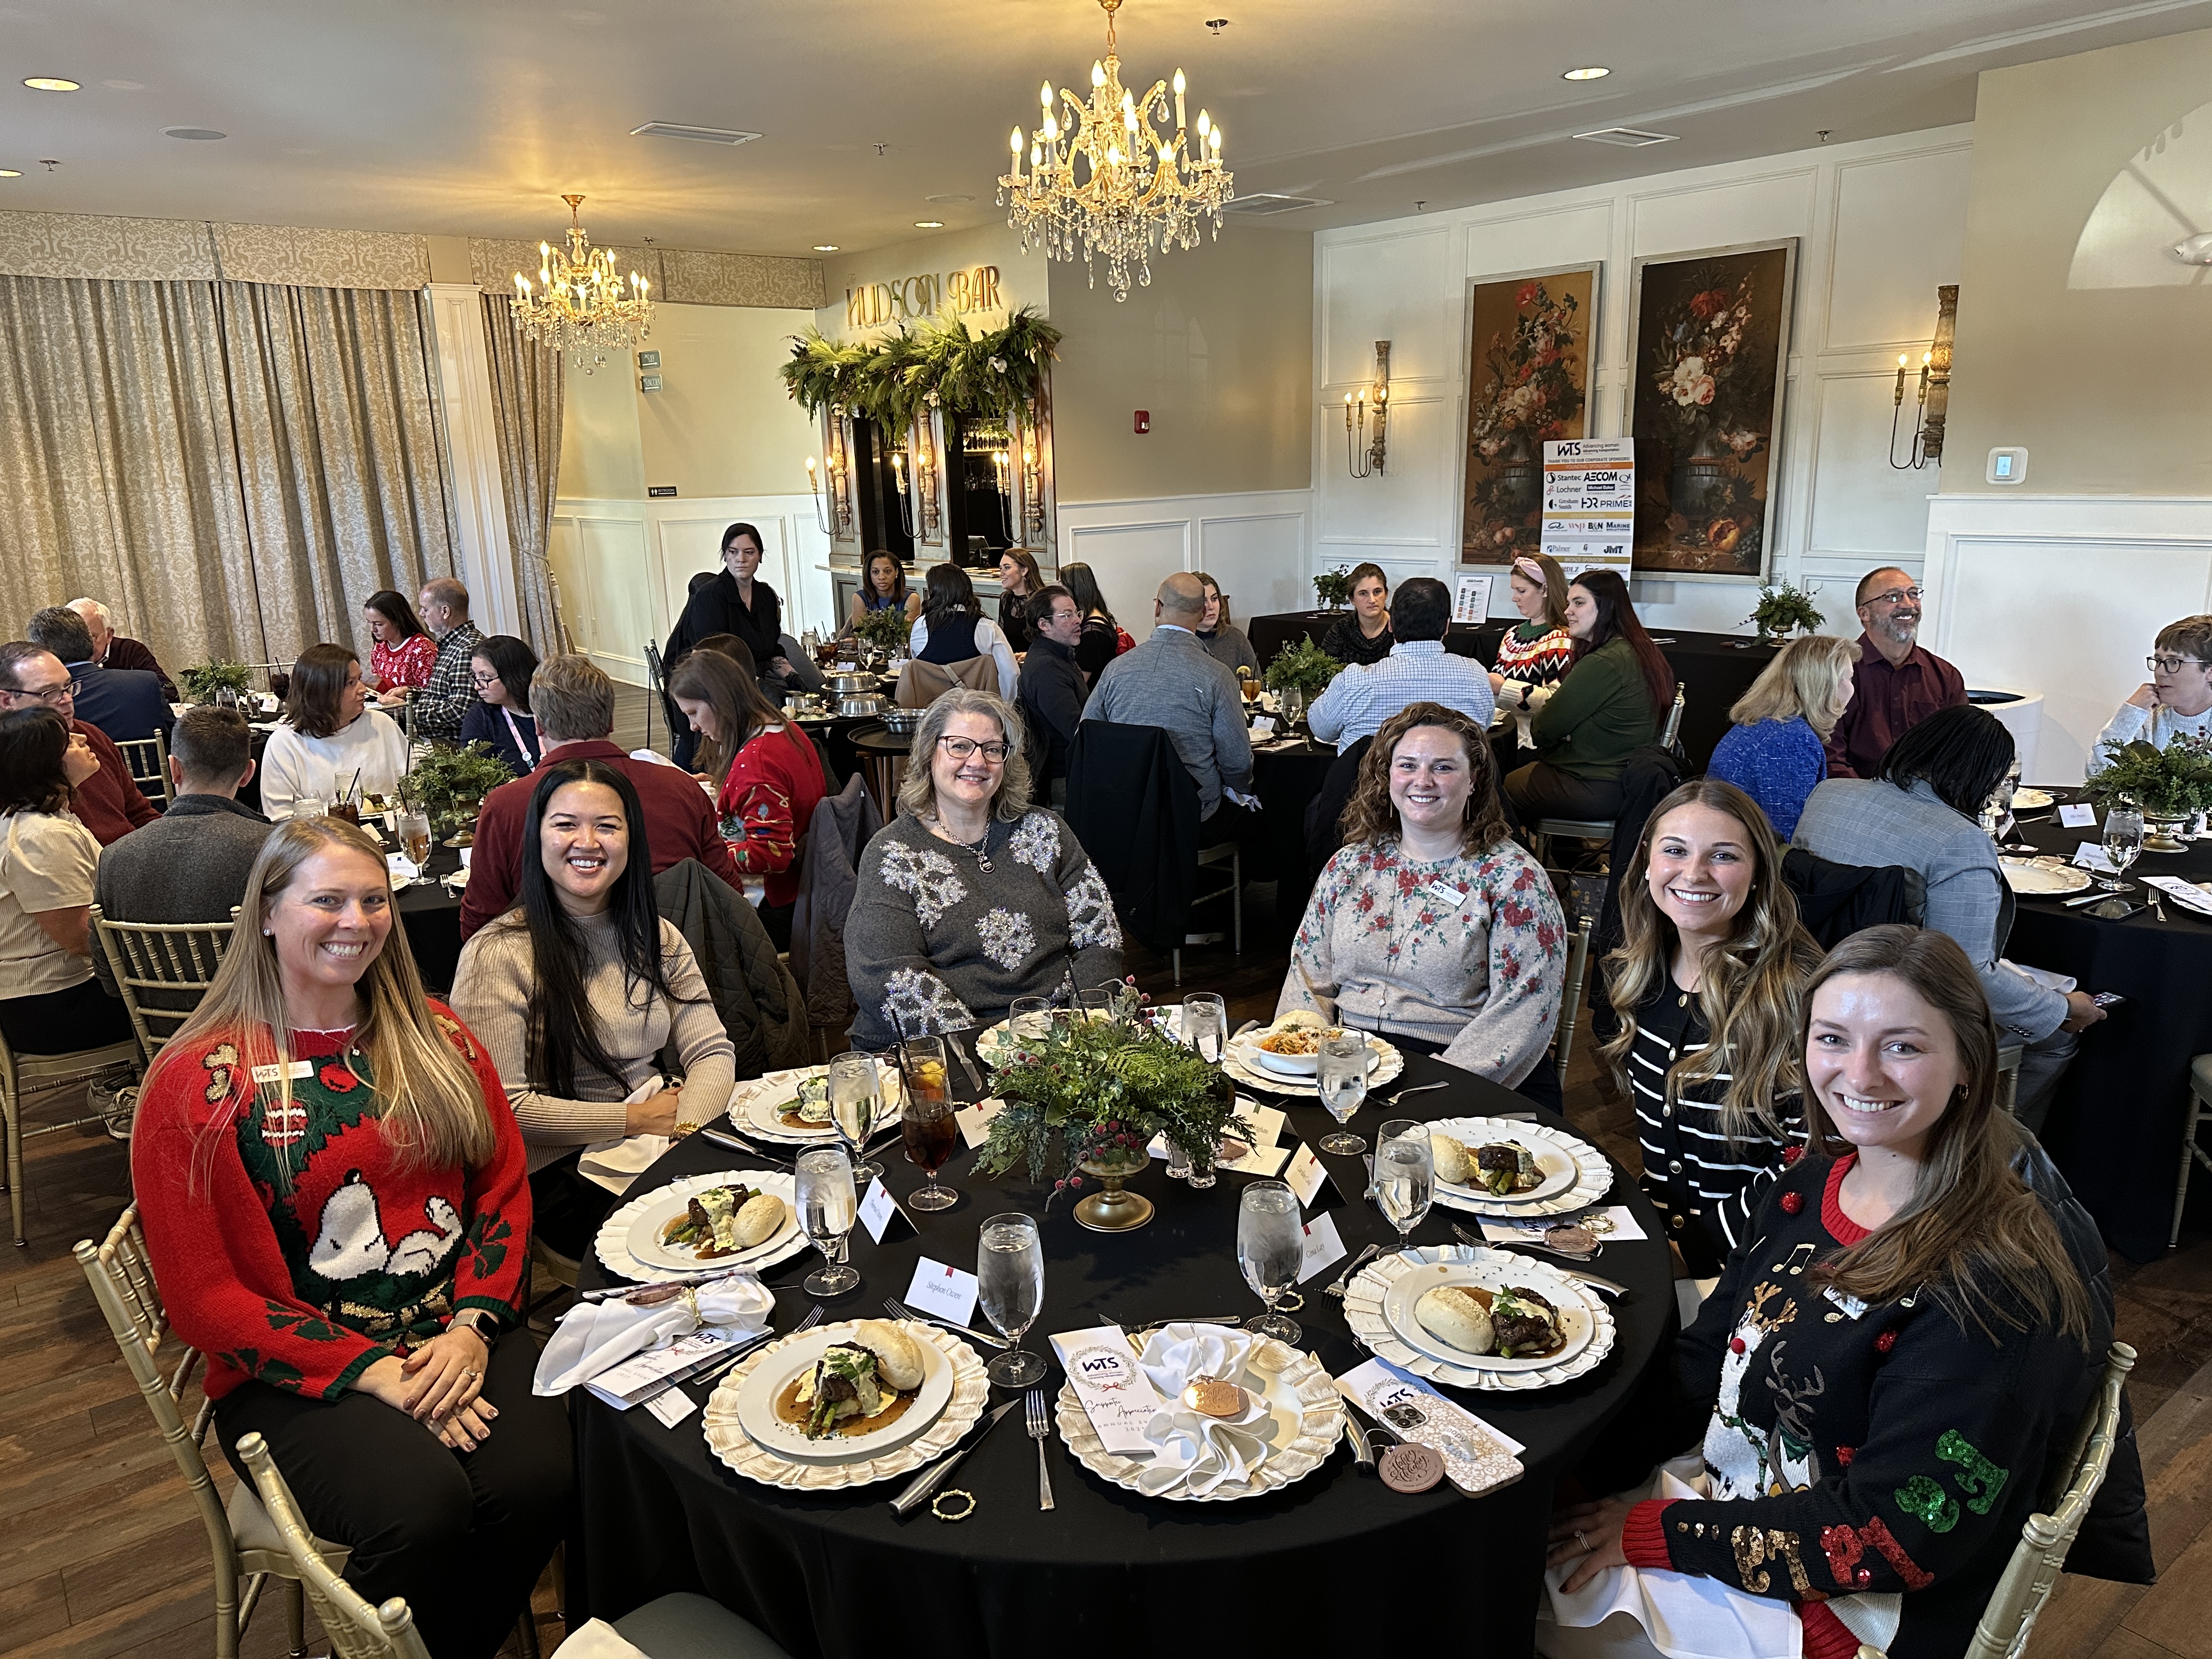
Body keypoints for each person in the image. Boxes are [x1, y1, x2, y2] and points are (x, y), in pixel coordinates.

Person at [1543, 925, 2103, 1659]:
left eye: (1902, 1047)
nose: (1860, 1076)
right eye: (1834, 1039)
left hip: (1844, 1614)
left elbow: (1890, 1537)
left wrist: (1654, 1533)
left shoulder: (1989, 1289)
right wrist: (1585, 1472)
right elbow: (1708, 1355)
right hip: (1740, 1507)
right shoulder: (1810, 1184)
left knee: (1501, 1602)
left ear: (1969, 1062)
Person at [130, 816, 567, 1659]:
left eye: (374, 901)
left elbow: (502, 1191)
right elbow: (204, 1296)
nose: (356, 922)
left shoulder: (437, 1038)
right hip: (291, 1368)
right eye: (327, 900)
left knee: (542, 1477)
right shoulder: (196, 1084)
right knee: (421, 1508)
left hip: (453, 1326)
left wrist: (471, 1329)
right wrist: (374, 1372)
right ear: (266, 912)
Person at [449, 760, 735, 1259]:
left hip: (659, 1135)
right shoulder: (498, 953)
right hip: (560, 1169)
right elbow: (507, 1110)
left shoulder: (657, 936)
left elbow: (711, 1049)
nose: (587, 842)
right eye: (566, 825)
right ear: (537, 838)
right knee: (701, 1249)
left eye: (607, 826)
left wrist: (685, 1137)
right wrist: (635, 1119)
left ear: (631, 839)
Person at [1793, 703, 2104, 1133]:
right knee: (2054, 1035)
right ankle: (1994, 1146)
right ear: (1984, 778)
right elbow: (1968, 974)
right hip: (1898, 1001)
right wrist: (2060, 1010)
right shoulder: (1959, 841)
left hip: (1808, 979)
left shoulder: (1828, 795)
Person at [1280, 702, 1567, 1107]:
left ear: (1474, 780)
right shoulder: (1349, 865)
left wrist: (1441, 1084)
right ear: (1387, 777)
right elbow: (1307, 976)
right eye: (1408, 766)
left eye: (1443, 768)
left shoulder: (1514, 879)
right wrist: (1301, 1055)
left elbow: (1525, 1007)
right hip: (1350, 1062)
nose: (1423, 781)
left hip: (1466, 1068)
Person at [1600, 778, 1825, 1277]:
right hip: (1662, 1236)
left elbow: (1813, 1156)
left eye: (1723, 856)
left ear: (1759, 872)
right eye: (1675, 850)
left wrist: (1693, 1253)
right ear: (1647, 861)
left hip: (1754, 1259)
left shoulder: (1794, 993)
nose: (1694, 873)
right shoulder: (1644, 969)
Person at [846, 688, 1122, 1047]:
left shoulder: (1046, 831)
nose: (977, 762)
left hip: (1061, 1037)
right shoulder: (892, 855)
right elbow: (889, 976)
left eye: (992, 749)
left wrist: (1085, 1025)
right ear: (929, 753)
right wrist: (987, 1049)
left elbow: (1100, 934)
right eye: (959, 746)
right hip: (949, 1047)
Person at [460, 656, 743, 941]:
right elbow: (727, 895)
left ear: (539, 727)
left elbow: (480, 926)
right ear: (610, 722)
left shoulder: (505, 805)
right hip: (677, 953)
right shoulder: (682, 788)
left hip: (552, 962)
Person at [91, 705, 273, 1000]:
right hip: (258, 1021)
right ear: (248, 773)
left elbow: (111, 979)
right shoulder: (273, 848)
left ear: (174, 768)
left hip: (159, 1026)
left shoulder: (113, 857)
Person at [665, 648, 826, 951]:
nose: (693, 727)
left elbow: (771, 855)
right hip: (804, 887)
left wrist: (707, 855)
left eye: (693, 713)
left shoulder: (756, 763)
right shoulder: (784, 728)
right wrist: (721, 787)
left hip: (773, 903)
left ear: (719, 701)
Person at [0, 707, 138, 1053]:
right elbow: (80, 938)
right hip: (54, 1004)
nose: (83, 738)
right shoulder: (39, 835)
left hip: (65, 991)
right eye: (68, 742)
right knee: (199, 993)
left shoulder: (48, 818)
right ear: (44, 764)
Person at [1083, 572, 1256, 832]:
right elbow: (1238, 762)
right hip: (1194, 815)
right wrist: (1241, 789)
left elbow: (1086, 735)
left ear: (1158, 607)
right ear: (1201, 613)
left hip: (1125, 811)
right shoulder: (1217, 676)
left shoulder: (1116, 669)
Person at [1504, 569, 1675, 823]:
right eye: (1569, 603)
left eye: (1579, 603)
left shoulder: (1604, 662)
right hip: (1627, 778)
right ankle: (1569, 848)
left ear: (1607, 608)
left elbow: (1542, 729)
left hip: (1600, 784)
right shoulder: (1636, 648)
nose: (1568, 612)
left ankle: (1527, 851)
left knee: (1503, 785)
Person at [1307, 577, 1495, 753]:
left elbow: (1321, 730)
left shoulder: (1355, 680)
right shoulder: (1476, 676)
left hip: (1369, 777)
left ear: (1390, 625)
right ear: (1447, 626)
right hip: (1450, 777)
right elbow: (1481, 732)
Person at [0, 642, 160, 844]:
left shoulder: (89, 735)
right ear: (6, 701)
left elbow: (140, 813)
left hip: (129, 852)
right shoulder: (11, 766)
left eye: (67, 687)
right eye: (49, 693)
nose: (67, 699)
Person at [1706, 634, 1857, 839]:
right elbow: (1788, 833)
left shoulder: (1770, 724)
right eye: (1849, 679)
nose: (1852, 688)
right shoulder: (1789, 739)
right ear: (1824, 685)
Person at [1825, 566, 1966, 778]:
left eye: (1913, 594)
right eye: (1893, 597)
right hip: (1854, 794)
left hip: (1926, 796)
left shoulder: (1945, 676)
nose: (1908, 604)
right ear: (1864, 614)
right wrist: (1870, 797)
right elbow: (1830, 759)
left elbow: (1960, 751)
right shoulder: (1835, 673)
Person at [259, 645, 411, 820]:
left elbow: (415, 785)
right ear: (322, 691)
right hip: (319, 836)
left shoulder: (381, 725)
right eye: (351, 683)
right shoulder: (285, 743)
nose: (363, 689)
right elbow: (280, 819)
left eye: (359, 679)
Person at [27, 605, 172, 751]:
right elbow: (174, 738)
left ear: (43, 653)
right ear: (89, 642)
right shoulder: (145, 683)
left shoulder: (39, 701)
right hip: (149, 765)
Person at [2095, 613, 2212, 770]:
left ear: (2210, 672)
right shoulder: (2146, 718)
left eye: (2174, 662)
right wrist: (2131, 712)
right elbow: (2097, 773)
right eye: (2158, 661)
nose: (2159, 672)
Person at [1017, 584, 1086, 807]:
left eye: (1077, 613)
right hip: (1063, 776)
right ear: (1044, 625)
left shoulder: (1058, 656)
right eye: (1067, 615)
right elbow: (1076, 730)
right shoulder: (1047, 669)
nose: (1077, 620)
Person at [909, 562, 1019, 698]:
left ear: (934, 592)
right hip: (976, 707)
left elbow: (918, 669)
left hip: (932, 708)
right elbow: (1011, 673)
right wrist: (1006, 706)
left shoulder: (921, 626)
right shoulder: (986, 627)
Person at [413, 576, 486, 744]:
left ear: (445, 612)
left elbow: (460, 711)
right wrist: (410, 694)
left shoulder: (467, 648)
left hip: (453, 747)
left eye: (425, 609)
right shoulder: (452, 644)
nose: (421, 614)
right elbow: (443, 695)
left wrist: (406, 711)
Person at [459, 635, 543, 777]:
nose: (477, 686)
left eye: (485, 677)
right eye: (475, 676)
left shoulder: (552, 708)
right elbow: (475, 776)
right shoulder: (480, 717)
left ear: (512, 675)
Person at [66, 596, 176, 701]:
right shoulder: (61, 657)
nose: (81, 645)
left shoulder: (130, 651)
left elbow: (169, 693)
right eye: (73, 638)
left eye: (91, 637)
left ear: (109, 635)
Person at [362, 588, 438, 700]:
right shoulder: (379, 649)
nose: (373, 629)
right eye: (370, 623)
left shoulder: (423, 649)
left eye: (379, 624)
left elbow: (432, 694)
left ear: (397, 621)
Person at [1060, 561, 1126, 681]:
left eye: (1063, 587)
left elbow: (1080, 683)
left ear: (1074, 588)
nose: (1061, 593)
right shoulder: (1097, 618)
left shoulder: (1093, 634)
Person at [1321, 562, 1395, 668]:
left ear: (1386, 594)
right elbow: (1324, 669)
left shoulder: (1400, 628)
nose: (1372, 600)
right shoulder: (1340, 631)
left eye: (1377, 592)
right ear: (1352, 599)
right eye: (1363, 594)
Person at [1193, 571, 1260, 676]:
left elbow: (1257, 681)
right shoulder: (1181, 641)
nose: (1211, 607)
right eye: (1204, 601)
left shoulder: (1235, 637)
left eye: (1214, 599)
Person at [847, 548, 922, 631]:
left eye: (888, 571)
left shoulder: (912, 598)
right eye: (876, 572)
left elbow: (906, 635)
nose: (882, 577)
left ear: (896, 572)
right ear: (869, 574)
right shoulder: (859, 598)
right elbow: (860, 635)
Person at [996, 546, 1043, 654]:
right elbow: (1003, 638)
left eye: (1007, 568)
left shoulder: (1042, 600)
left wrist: (1029, 655)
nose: (1001, 573)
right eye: (1001, 568)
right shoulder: (1005, 598)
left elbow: (1050, 641)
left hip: (1037, 659)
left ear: (1024, 571)